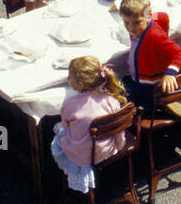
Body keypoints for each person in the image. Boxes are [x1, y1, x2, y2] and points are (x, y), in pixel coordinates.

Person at [50, 56, 127, 196]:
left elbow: (67, 130)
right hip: (107, 149)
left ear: (79, 84)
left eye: (70, 76)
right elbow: (118, 130)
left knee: (57, 135)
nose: (68, 78)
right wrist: (119, 145)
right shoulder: (111, 100)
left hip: (82, 154)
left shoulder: (69, 104)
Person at [116, 0, 181, 118]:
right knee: (122, 84)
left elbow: (180, 53)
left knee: (139, 102)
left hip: (149, 81)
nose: (130, 28)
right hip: (139, 74)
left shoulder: (155, 35)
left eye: (136, 22)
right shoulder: (146, 20)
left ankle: (159, 105)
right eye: (126, 22)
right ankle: (163, 99)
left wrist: (170, 73)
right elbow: (163, 16)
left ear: (148, 17)